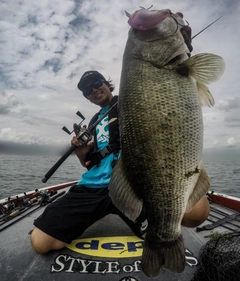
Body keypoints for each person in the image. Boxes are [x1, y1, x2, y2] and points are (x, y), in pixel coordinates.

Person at [30, 70, 210, 254]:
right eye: (86, 90)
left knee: (197, 212)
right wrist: (82, 154)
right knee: (41, 242)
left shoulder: (133, 102)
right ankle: (119, 216)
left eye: (96, 83)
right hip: (93, 187)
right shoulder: (92, 123)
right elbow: (88, 164)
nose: (93, 90)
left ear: (107, 83)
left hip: (132, 184)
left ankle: (141, 218)